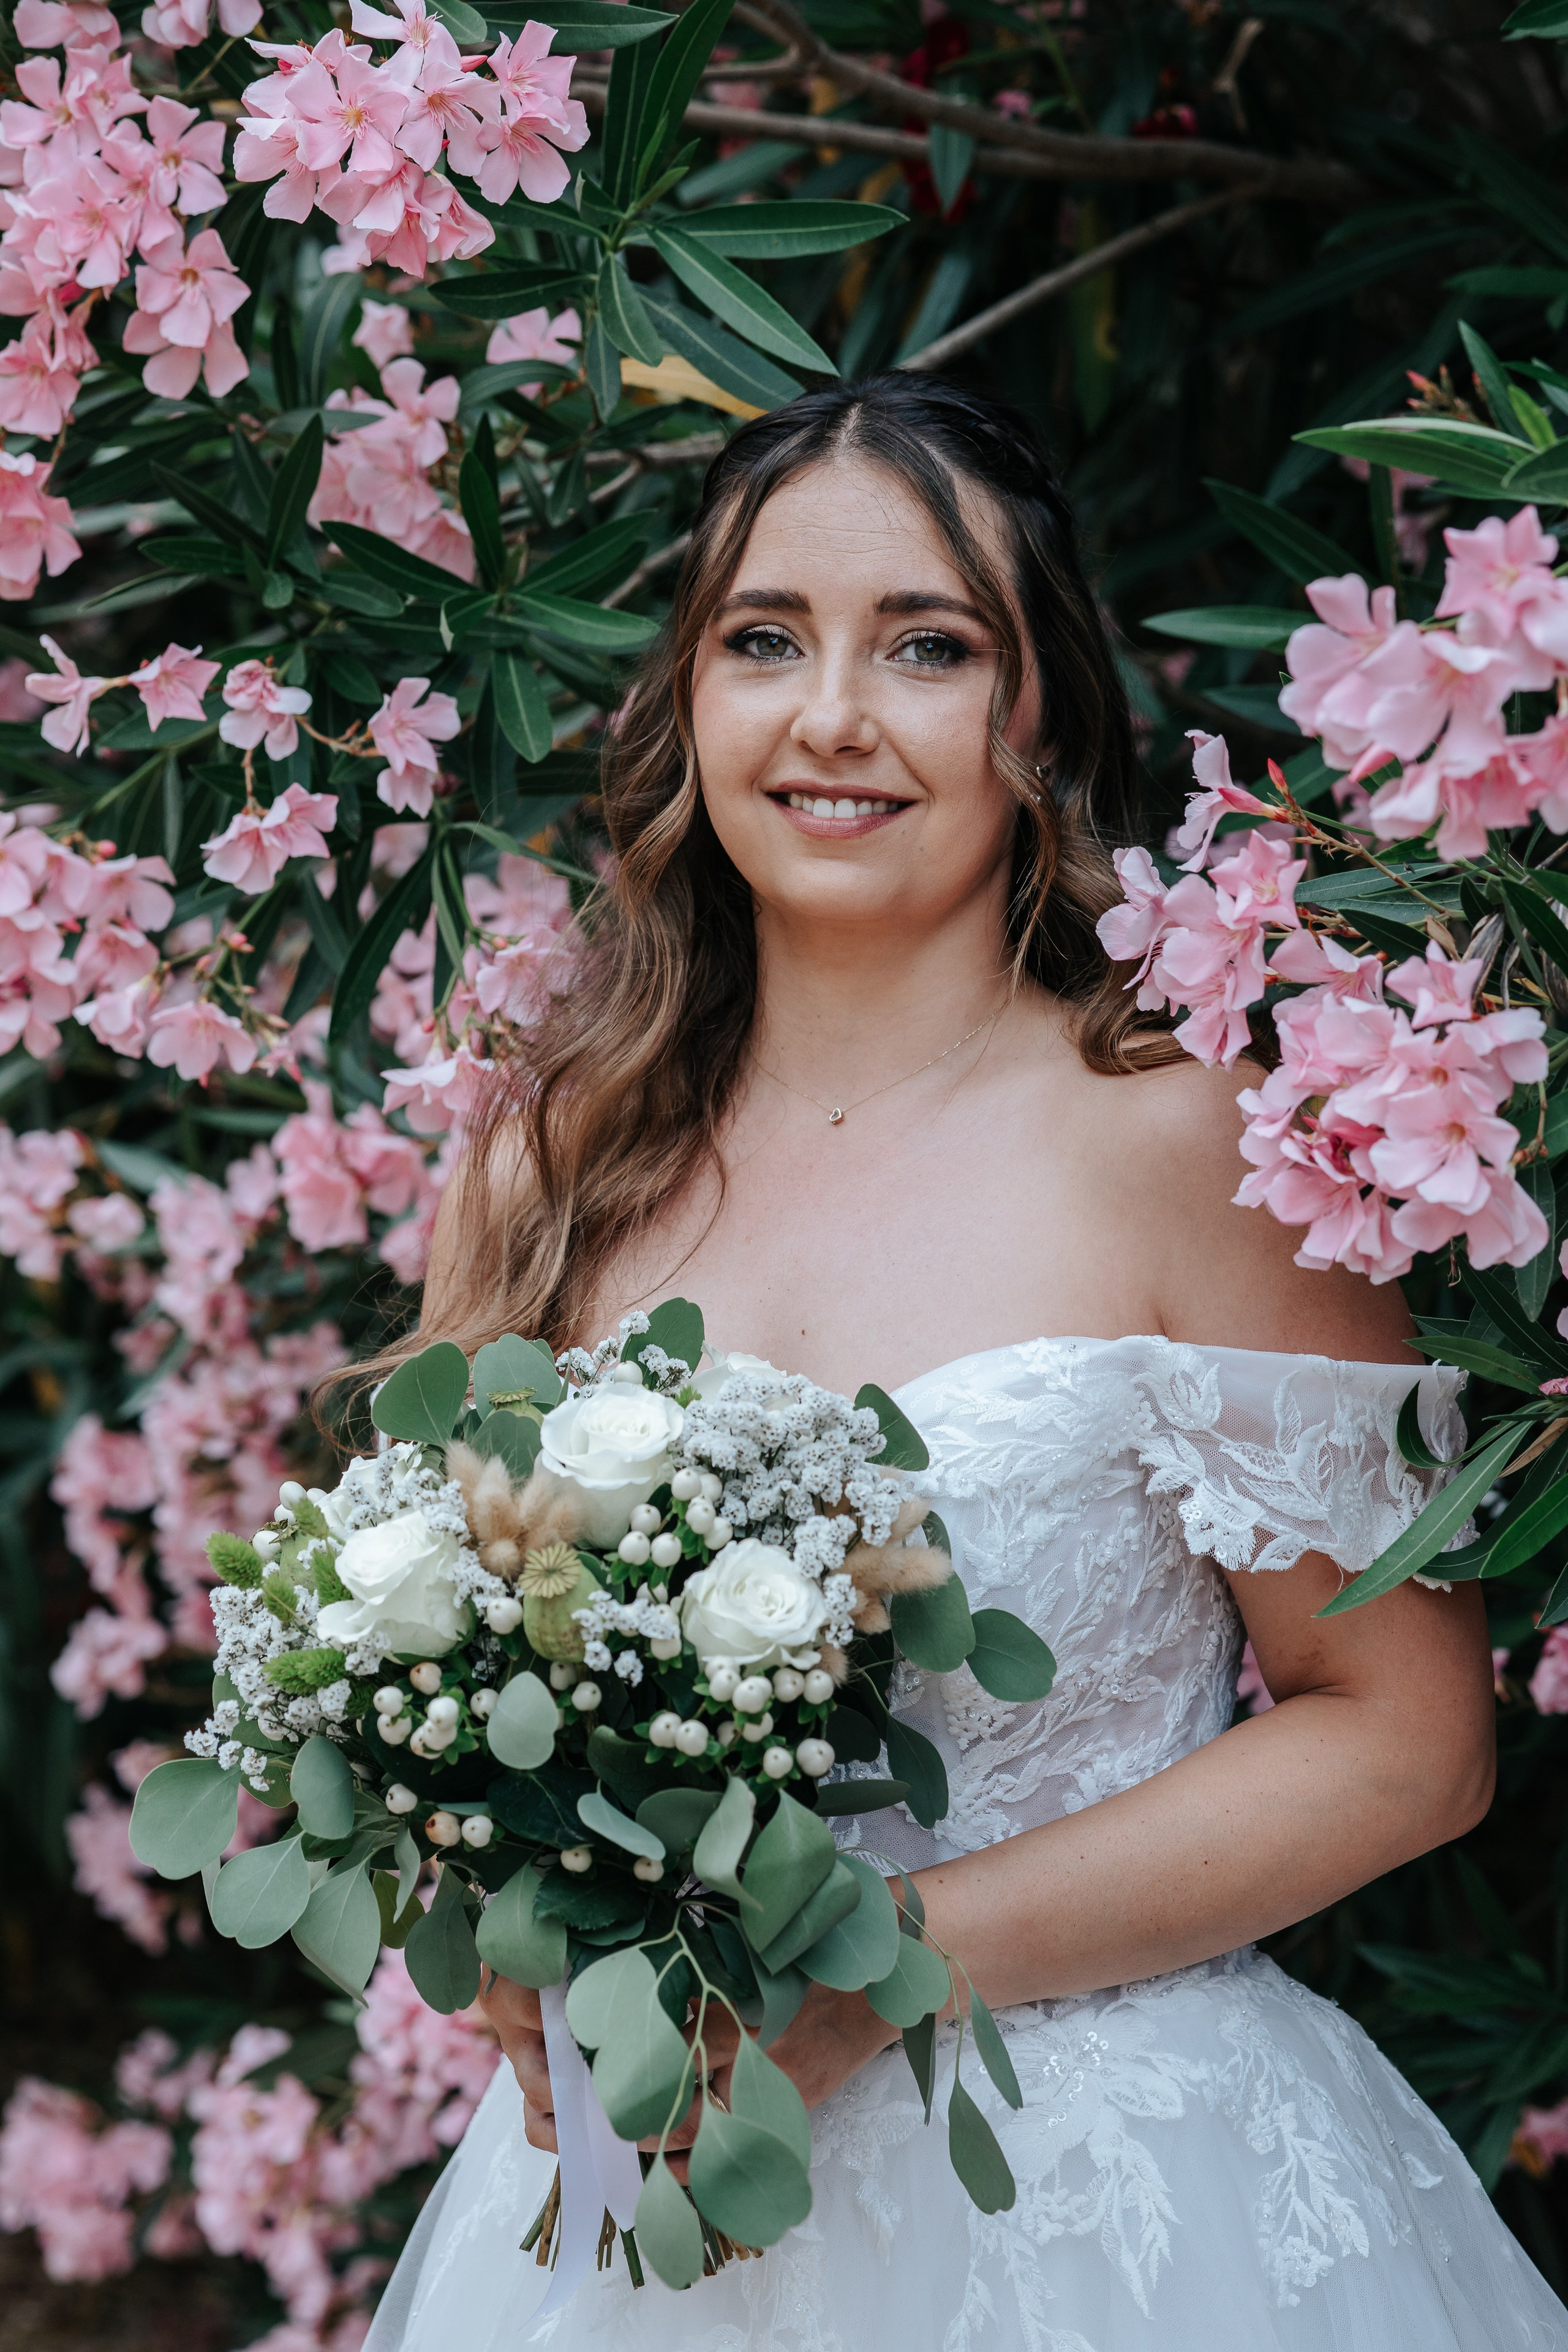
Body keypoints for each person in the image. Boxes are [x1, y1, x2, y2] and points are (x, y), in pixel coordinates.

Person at [363, 374, 1567, 2351]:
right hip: (630, 2194)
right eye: (766, 642)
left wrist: (874, 1969)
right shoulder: (547, 1161)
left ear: (1041, 719)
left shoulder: (1194, 1137)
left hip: (1110, 2205)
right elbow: (450, 1696)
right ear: (689, 709)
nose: (833, 715)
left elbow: (1410, 1737)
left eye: (925, 647)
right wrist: (496, 1917)